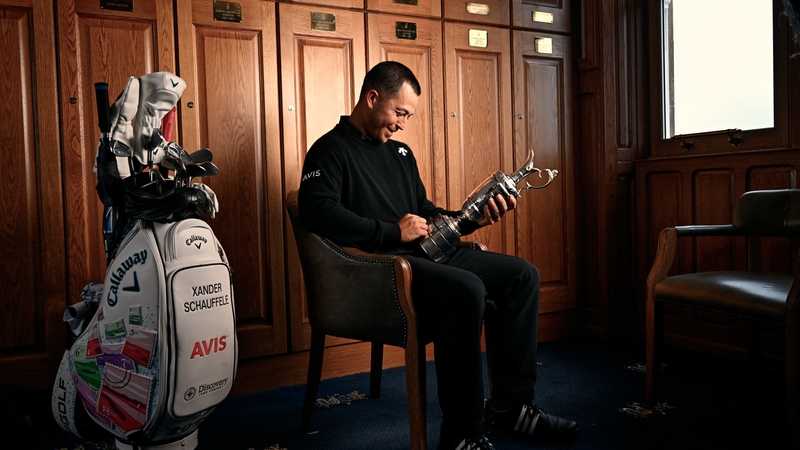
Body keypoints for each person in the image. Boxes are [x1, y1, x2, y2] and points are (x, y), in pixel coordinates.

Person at [298, 61, 579, 450]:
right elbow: (317, 212)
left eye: (407, 117)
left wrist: (470, 220)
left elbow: (425, 213)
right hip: (380, 274)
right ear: (372, 97)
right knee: (466, 290)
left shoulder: (400, 153)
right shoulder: (329, 150)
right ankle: (463, 435)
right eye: (399, 113)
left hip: (424, 259)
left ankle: (510, 409)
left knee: (523, 276)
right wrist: (393, 232)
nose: (401, 124)